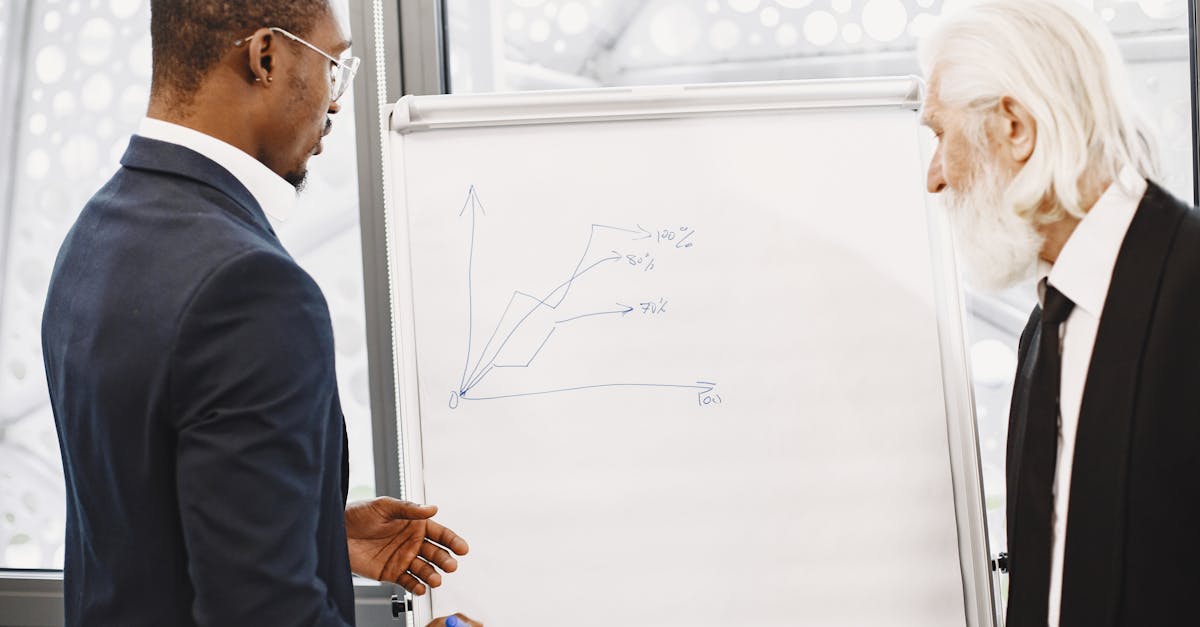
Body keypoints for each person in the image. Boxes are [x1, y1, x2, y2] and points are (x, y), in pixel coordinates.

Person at [41, 1, 475, 624]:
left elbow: (137, 513)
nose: (334, 103)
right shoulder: (251, 289)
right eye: (334, 68)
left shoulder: (96, 232)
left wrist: (316, 535)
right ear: (265, 56)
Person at [919, 0, 1199, 625]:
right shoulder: (1046, 330)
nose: (934, 177)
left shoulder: (1190, 288)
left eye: (941, 134)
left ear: (1013, 127)